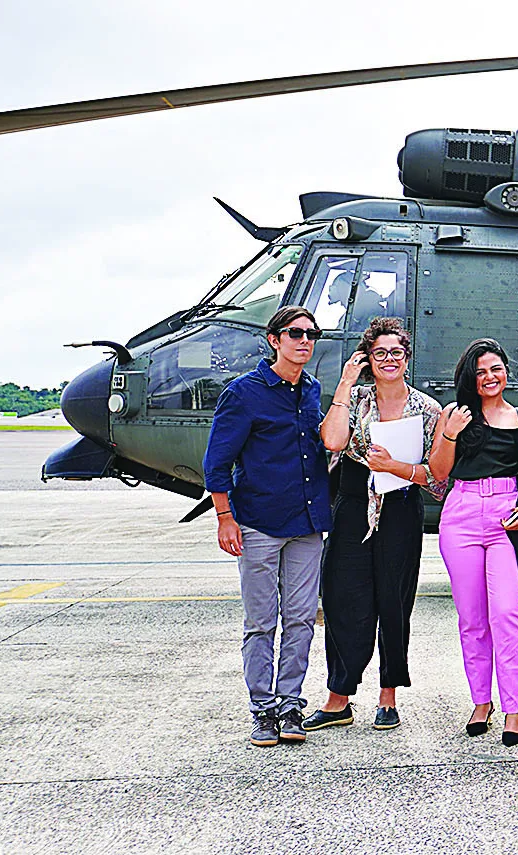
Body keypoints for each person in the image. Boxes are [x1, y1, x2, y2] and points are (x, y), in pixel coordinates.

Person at [304, 317, 447, 734]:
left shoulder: (427, 409)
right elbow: (331, 440)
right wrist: (346, 383)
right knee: (343, 599)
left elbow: (438, 478)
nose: (389, 360)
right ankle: (338, 697)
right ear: (368, 357)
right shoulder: (356, 399)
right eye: (380, 353)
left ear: (407, 358)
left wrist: (397, 468)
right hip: (351, 506)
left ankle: (388, 695)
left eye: (396, 353)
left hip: (400, 508)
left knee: (394, 603)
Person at [204, 305, 334, 747]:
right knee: (261, 622)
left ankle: (290, 705)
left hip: (307, 523)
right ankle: (262, 709)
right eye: (295, 333)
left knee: (301, 620)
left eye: (311, 334)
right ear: (274, 340)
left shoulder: (313, 391)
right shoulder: (244, 393)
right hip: (259, 522)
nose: (304, 341)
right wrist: (226, 518)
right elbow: (217, 463)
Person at [430, 339, 518, 747]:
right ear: (470, 376)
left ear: (506, 371)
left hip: (507, 514)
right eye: (481, 370)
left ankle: (514, 708)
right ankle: (480, 701)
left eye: (496, 368)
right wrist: (451, 434)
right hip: (463, 513)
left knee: (507, 613)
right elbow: (438, 472)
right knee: (472, 618)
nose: (489, 377)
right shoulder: (454, 415)